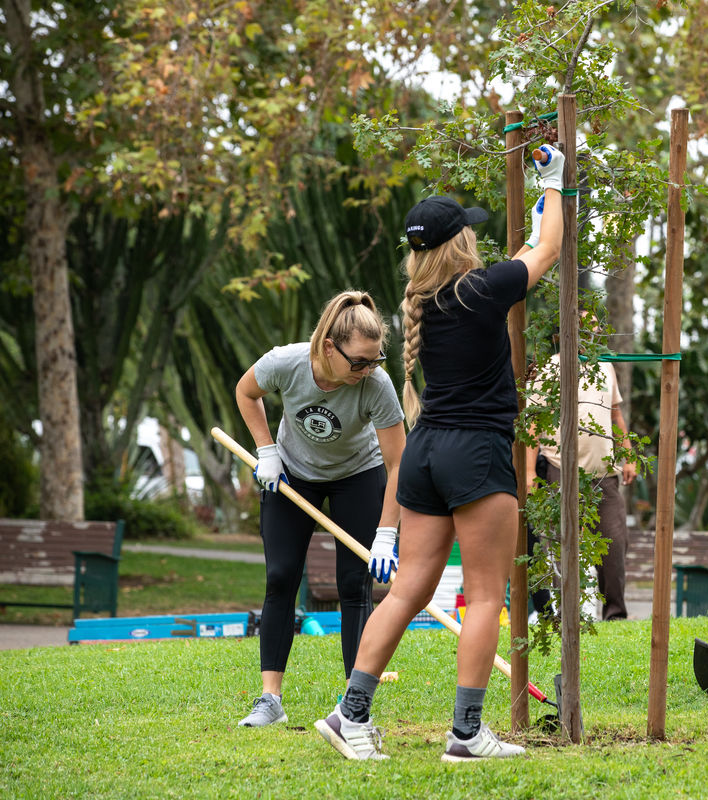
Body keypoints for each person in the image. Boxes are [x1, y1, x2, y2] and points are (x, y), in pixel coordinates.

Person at [314, 144, 565, 762]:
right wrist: (555, 184)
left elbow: (531, 252)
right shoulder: (482, 287)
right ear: (460, 244)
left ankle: (351, 715)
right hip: (475, 454)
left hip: (426, 453)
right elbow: (549, 252)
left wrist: (535, 220)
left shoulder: (424, 303)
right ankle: (466, 733)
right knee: (485, 596)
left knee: (407, 592)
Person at [233, 291, 405, 727]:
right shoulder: (286, 363)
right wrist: (266, 449)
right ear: (330, 346)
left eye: (375, 360)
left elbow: (397, 462)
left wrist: (387, 532)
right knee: (281, 576)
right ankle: (270, 700)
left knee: (354, 584)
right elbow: (246, 391)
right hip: (291, 475)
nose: (367, 370)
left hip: (358, 475)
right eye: (359, 362)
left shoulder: (376, 385)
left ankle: (354, 703)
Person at [526, 328, 638, 621]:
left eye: (595, 331)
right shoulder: (550, 368)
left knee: (614, 543)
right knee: (561, 544)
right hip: (559, 472)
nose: (590, 336)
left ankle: (615, 615)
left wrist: (627, 456)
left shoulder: (604, 365)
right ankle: (565, 614)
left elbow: (615, 415)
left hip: (604, 476)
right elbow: (533, 425)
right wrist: (528, 473)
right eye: (583, 330)